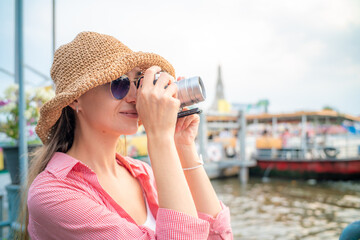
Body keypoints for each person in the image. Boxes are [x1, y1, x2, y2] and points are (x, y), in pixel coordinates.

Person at [21, 32, 232, 239]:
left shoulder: (142, 173)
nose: (134, 97)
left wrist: (183, 145)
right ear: (75, 99)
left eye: (138, 83)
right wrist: (159, 137)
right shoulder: (53, 195)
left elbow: (218, 236)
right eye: (119, 84)